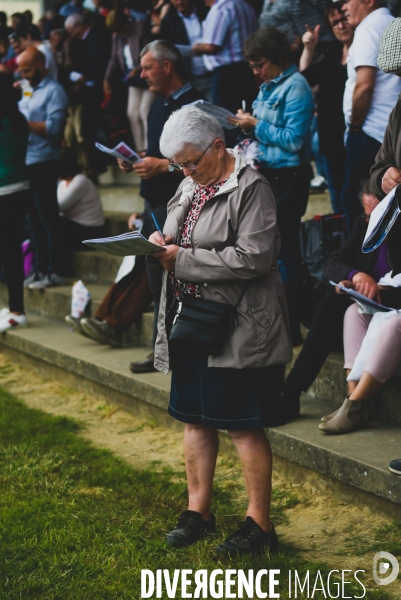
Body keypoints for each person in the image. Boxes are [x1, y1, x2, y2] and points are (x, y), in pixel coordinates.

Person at [150, 105, 291, 555]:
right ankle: (199, 512)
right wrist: (158, 242)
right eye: (180, 166)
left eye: (193, 161)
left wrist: (182, 259)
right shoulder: (191, 181)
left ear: (218, 145)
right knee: (194, 416)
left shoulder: (253, 187)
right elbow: (176, 234)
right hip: (191, 318)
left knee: (243, 425)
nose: (188, 171)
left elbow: (255, 258)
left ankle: (259, 524)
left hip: (241, 323)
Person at [117, 40, 204, 373]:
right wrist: (138, 161)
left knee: (173, 280)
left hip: (180, 205)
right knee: (156, 283)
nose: (142, 75)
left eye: (148, 67)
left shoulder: (194, 106)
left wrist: (163, 167)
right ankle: (161, 351)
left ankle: (178, 350)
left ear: (168, 66)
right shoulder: (157, 106)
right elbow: (159, 153)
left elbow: (202, 160)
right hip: (153, 204)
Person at [281, 181, 401, 421]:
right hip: (351, 313)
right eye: (367, 216)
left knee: (330, 306)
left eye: (376, 216)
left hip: (381, 320)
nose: (369, 223)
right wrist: (353, 276)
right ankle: (270, 376)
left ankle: (291, 390)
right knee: (288, 291)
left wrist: (377, 288)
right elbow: (334, 261)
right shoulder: (363, 224)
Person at [228, 26, 313, 344]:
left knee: (285, 250)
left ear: (277, 58)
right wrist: (245, 123)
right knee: (271, 251)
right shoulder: (267, 87)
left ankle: (290, 327)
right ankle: (280, 323)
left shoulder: (296, 87)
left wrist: (256, 125)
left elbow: (293, 139)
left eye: (259, 63)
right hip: (266, 173)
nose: (255, 71)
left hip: (288, 177)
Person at [340, 0, 401, 234]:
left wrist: (355, 127)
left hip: (369, 131)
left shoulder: (369, 27)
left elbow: (364, 85)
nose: (343, 7)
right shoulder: (389, 22)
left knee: (354, 203)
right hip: (383, 132)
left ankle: (364, 266)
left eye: (347, 0)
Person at [17, 47, 69, 290]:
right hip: (25, 160)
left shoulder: (54, 91)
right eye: (21, 69)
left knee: (48, 218)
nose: (23, 74)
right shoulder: (26, 90)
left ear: (40, 65)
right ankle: (39, 268)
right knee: (32, 219)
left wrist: (23, 124)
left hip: (44, 161)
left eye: (27, 69)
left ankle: (56, 270)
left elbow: (53, 129)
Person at [300, 1, 354, 214]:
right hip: (330, 139)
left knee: (356, 201)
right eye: (335, 23)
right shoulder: (332, 51)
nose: (341, 25)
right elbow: (306, 78)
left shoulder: (365, 51)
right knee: (338, 202)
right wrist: (309, 48)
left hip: (356, 137)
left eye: (344, 19)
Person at [0, 71, 30, 332]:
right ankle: (13, 306)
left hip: (7, 191)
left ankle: (17, 309)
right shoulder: (18, 118)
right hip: (18, 189)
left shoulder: (8, 120)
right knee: (10, 252)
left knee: (9, 253)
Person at [64, 13, 110, 177]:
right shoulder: (86, 40)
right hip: (90, 88)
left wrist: (85, 76)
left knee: (91, 128)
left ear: (78, 25)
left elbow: (100, 62)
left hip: (96, 89)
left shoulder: (94, 37)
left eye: (71, 30)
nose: (72, 34)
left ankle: (99, 163)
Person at [191, 0, 258, 113]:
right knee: (247, 114)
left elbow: (211, 46)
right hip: (247, 70)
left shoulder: (222, 8)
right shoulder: (245, 5)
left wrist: (196, 47)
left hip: (227, 75)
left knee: (226, 119)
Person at [103, 10, 154, 153]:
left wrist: (138, 69)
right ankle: (140, 151)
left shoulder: (140, 29)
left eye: (119, 29)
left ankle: (150, 150)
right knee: (132, 113)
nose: (118, 32)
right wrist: (107, 78)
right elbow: (114, 58)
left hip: (148, 76)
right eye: (115, 31)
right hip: (133, 80)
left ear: (126, 23)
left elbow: (151, 53)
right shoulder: (117, 36)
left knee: (145, 111)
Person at [57, 147, 105, 269]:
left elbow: (59, 206)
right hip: (78, 228)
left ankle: (60, 269)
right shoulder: (63, 183)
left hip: (92, 233)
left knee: (54, 223)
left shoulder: (80, 181)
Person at [159, 0, 211, 96]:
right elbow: (166, 49)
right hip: (190, 76)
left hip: (213, 72)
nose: (180, 2)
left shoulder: (206, 11)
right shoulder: (168, 21)